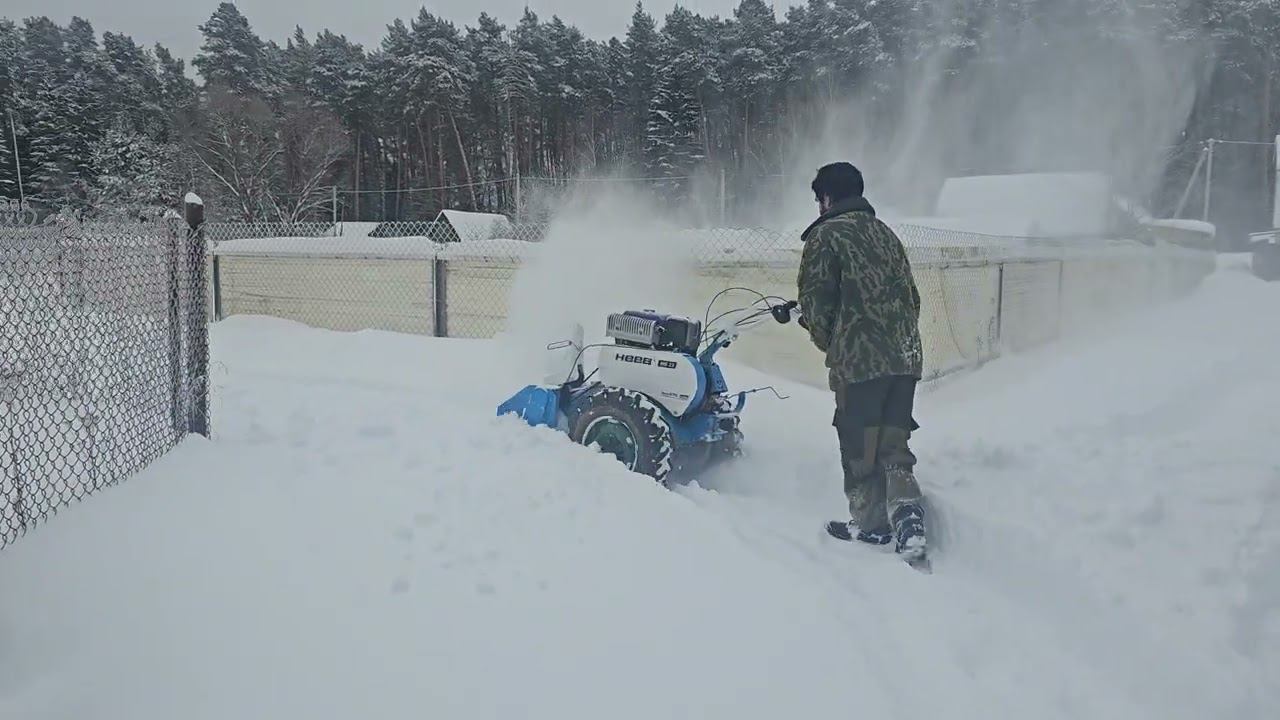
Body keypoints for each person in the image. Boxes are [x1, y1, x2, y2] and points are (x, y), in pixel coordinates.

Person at [796, 162, 928, 562]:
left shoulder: (825, 236)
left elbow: (816, 305)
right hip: (905, 358)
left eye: (818, 199)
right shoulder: (885, 233)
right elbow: (912, 298)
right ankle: (908, 517)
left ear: (826, 198)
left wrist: (834, 344)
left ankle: (872, 526)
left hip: (860, 363)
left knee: (860, 445)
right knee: (894, 442)